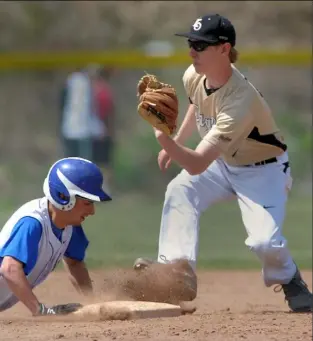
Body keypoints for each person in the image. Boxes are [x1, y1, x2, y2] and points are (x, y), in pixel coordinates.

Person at [134, 13, 312, 312]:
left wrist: (162, 139)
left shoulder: (240, 99)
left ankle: (290, 278)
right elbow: (196, 104)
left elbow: (197, 163)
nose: (193, 50)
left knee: (263, 243)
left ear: (224, 49)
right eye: (191, 43)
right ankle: (176, 271)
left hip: (263, 170)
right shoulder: (194, 75)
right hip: (224, 164)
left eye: (201, 45)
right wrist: (176, 140)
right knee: (181, 191)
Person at [0, 157, 112, 316]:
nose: (92, 211)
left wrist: (92, 303)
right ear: (63, 197)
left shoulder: (69, 225)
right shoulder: (33, 223)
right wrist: (41, 311)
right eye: (87, 203)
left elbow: (75, 264)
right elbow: (10, 269)